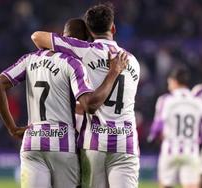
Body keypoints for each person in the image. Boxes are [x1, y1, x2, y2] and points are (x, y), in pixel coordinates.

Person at [0, 18, 129, 188]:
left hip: (32, 142)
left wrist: (12, 128)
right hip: (63, 144)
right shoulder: (74, 64)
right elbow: (87, 103)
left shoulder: (29, 59)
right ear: (84, 41)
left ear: (64, 36)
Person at [30, 3, 140, 188]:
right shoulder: (133, 61)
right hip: (125, 143)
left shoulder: (82, 50)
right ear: (113, 28)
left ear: (88, 30)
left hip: (94, 143)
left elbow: (37, 37)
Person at [148, 67, 202, 188]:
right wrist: (200, 141)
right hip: (191, 150)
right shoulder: (198, 101)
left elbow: (157, 127)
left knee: (166, 185)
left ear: (173, 81)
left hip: (170, 149)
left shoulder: (165, 100)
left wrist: (153, 137)